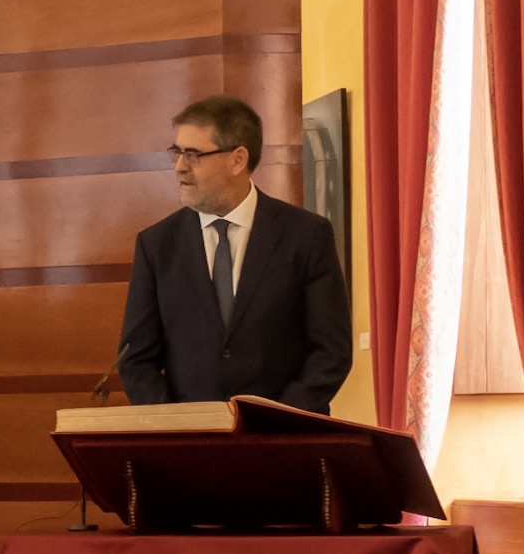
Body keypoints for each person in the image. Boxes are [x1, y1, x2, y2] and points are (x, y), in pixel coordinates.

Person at [119, 94, 352, 414]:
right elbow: (135, 361)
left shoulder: (306, 235)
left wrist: (276, 422)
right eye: (177, 152)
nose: (179, 167)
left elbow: (332, 351)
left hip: (286, 441)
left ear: (238, 159)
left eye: (193, 154)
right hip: (192, 447)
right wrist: (177, 425)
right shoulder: (157, 245)